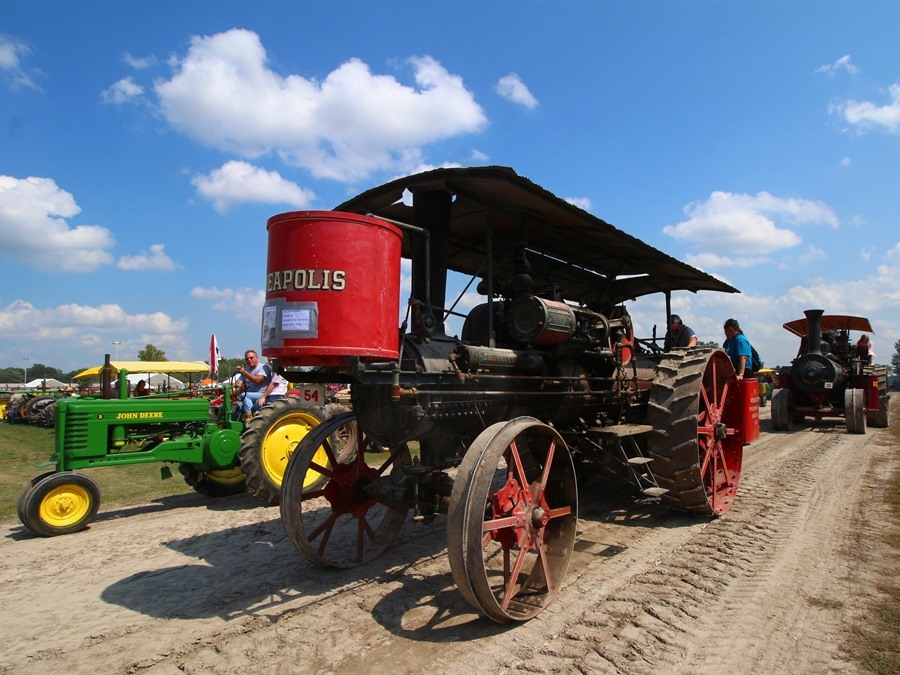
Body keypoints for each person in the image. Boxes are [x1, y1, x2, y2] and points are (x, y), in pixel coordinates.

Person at [234, 350, 272, 421]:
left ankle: (249, 418)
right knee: (236, 407)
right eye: (247, 359)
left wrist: (244, 372)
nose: (249, 360)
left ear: (257, 357)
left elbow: (258, 380)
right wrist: (228, 393)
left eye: (251, 358)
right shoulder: (247, 370)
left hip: (263, 395)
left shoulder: (263, 367)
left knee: (244, 395)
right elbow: (238, 384)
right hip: (250, 397)